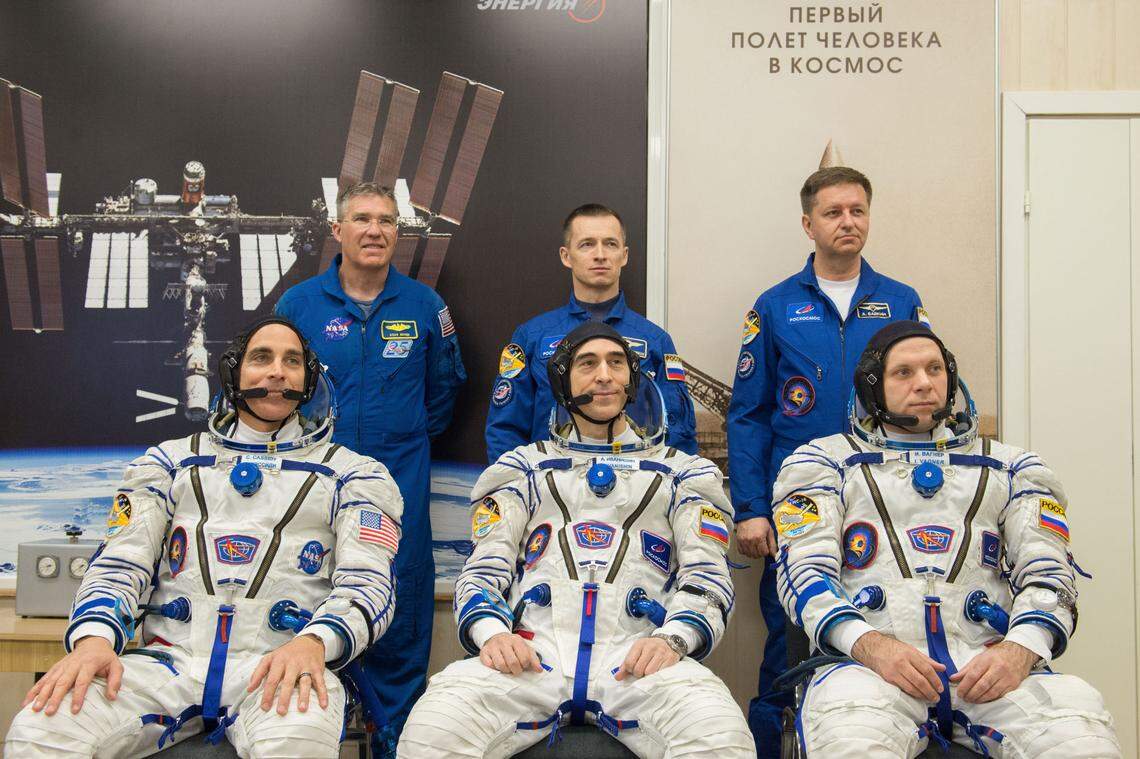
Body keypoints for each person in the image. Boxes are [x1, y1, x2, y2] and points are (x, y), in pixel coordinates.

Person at [5, 317, 404, 758]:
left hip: (281, 665)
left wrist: (314, 642)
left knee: (299, 745)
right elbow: (120, 565)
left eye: (292, 361)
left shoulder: (354, 475)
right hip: (168, 665)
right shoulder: (168, 465)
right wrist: (95, 640)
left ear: (308, 380)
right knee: (42, 727)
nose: (277, 371)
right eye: (261, 358)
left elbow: (369, 585)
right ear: (234, 373)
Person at [400, 322, 754, 758]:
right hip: (532, 653)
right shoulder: (524, 470)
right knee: (431, 731)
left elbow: (708, 578)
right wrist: (494, 634)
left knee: (722, 738)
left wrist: (673, 639)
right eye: (588, 364)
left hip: (639, 656)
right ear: (562, 381)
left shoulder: (683, 473)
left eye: (617, 364)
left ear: (633, 380)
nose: (605, 375)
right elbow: (482, 573)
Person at [773, 321, 1120, 757]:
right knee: (852, 743)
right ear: (872, 387)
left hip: (986, 662)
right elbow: (804, 575)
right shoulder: (824, 464)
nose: (924, 384)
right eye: (904, 373)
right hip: (869, 666)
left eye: (935, 369)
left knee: (1080, 735)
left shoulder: (1011, 468)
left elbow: (1050, 576)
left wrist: (1020, 649)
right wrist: (870, 645)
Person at [726, 166, 926, 756]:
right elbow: (748, 415)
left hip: (886, 504)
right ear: (808, 223)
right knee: (788, 645)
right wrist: (750, 508)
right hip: (799, 506)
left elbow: (926, 405)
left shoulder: (901, 301)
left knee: (889, 630)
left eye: (858, 210)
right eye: (834, 212)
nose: (848, 222)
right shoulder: (775, 305)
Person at [275, 182, 465, 750]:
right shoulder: (298, 306)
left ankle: (394, 738)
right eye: (362, 219)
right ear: (338, 230)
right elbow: (277, 393)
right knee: (308, 606)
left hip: (398, 491)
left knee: (400, 609)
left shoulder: (426, 307)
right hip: (314, 491)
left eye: (386, 221)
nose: (375, 231)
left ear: (398, 233)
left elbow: (444, 393)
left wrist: (395, 443)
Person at [485, 203, 696, 463]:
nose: (600, 255)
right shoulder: (532, 337)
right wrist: (520, 486)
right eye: (586, 244)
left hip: (635, 492)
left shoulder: (655, 340)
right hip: (551, 491)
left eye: (610, 244)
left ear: (624, 254)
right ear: (566, 255)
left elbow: (679, 434)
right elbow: (505, 430)